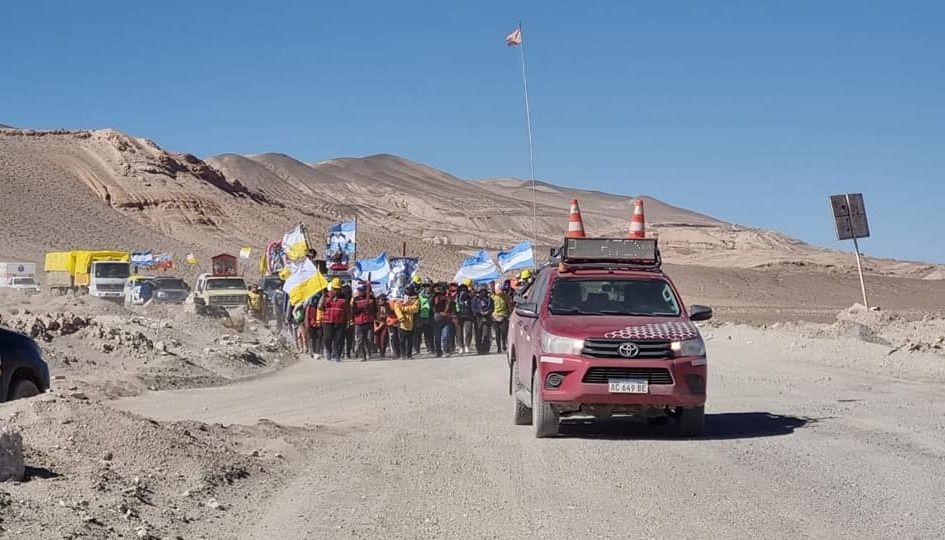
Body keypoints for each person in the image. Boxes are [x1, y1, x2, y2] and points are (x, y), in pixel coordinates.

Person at [318, 278, 349, 362]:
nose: (336, 291)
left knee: (339, 339)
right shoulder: (326, 296)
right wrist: (323, 298)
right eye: (334, 289)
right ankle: (328, 350)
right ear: (331, 288)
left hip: (340, 321)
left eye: (338, 289)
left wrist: (348, 320)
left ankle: (338, 355)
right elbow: (320, 307)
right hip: (328, 321)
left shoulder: (344, 297)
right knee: (327, 338)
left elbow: (347, 310)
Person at [350, 283, 376, 362]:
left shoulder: (371, 298)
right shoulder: (356, 299)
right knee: (361, 339)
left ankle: (369, 352)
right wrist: (362, 308)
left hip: (369, 321)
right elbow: (354, 311)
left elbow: (375, 309)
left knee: (369, 338)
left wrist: (370, 309)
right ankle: (363, 355)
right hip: (360, 322)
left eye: (362, 290)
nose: (361, 292)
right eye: (359, 291)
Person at [393, 287, 420, 359]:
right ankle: (403, 354)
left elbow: (415, 308)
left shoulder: (415, 299)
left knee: (410, 340)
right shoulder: (399, 298)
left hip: (411, 321)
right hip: (402, 322)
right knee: (402, 340)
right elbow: (396, 308)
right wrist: (401, 316)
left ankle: (409, 354)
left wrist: (404, 308)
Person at [432, 284, 453, 357]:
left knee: (445, 336)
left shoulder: (448, 298)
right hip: (436, 319)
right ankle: (438, 351)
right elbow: (433, 309)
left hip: (446, 319)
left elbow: (450, 307)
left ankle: (446, 351)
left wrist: (449, 314)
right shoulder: (433, 298)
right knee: (437, 337)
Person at [472, 285, 494, 354]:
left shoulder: (490, 299)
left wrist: (488, 312)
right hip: (478, 318)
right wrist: (480, 312)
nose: (483, 293)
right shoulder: (475, 299)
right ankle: (479, 349)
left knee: (486, 334)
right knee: (478, 334)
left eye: (484, 291)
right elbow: (473, 308)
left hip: (487, 318)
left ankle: (486, 348)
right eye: (481, 291)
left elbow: (492, 308)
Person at [454, 282, 474, 354]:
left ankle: (467, 345)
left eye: (464, 289)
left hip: (468, 316)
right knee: (459, 332)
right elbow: (454, 306)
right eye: (461, 289)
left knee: (468, 331)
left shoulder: (470, 297)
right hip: (459, 316)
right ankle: (461, 346)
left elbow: (472, 306)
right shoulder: (456, 297)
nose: (463, 291)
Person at [416, 278, 435, 354]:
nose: (428, 288)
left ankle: (431, 348)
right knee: (418, 334)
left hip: (430, 316)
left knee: (429, 334)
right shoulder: (419, 295)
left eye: (429, 286)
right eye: (426, 286)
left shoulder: (433, 295)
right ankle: (417, 349)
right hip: (421, 316)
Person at [492, 284, 511, 353]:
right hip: (495, 317)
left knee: (503, 332)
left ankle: (504, 345)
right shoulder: (493, 297)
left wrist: (509, 314)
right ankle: (498, 347)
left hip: (504, 316)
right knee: (497, 333)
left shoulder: (506, 297)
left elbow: (509, 306)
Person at [305, 294, 323, 359]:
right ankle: (313, 352)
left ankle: (317, 352)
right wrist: (307, 323)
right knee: (313, 338)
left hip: (318, 322)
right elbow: (307, 316)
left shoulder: (321, 298)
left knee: (318, 337)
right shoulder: (309, 306)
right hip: (311, 323)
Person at [386, 294, 402, 359]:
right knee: (393, 339)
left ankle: (399, 353)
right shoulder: (387, 304)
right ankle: (396, 353)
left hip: (398, 322)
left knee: (397, 338)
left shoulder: (399, 302)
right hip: (392, 323)